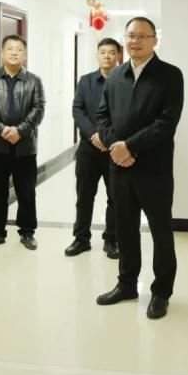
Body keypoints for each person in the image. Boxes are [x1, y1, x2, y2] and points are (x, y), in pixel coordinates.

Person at [96, 17, 184, 320]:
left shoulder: (170, 75)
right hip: (120, 169)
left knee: (161, 231)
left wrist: (130, 147)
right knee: (125, 229)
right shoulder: (115, 76)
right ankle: (126, 284)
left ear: (154, 40)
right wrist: (116, 147)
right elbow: (102, 117)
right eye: (131, 36)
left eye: (142, 36)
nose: (135, 41)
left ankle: (161, 292)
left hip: (154, 169)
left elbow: (166, 123)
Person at [0, 34, 45, 251]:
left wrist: (20, 131)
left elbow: (38, 110)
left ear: (25, 55)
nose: (14, 52)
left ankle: (27, 232)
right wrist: (2, 129)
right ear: (2, 52)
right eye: (10, 49)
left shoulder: (34, 81)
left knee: (26, 192)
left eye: (19, 49)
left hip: (25, 146)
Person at [65, 37, 121, 258]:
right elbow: (78, 110)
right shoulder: (85, 81)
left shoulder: (125, 80)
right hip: (88, 151)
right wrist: (93, 135)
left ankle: (111, 239)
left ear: (118, 56)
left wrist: (107, 138)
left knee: (115, 197)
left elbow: (128, 114)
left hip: (114, 150)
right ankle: (81, 239)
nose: (107, 56)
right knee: (84, 196)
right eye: (103, 52)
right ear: (97, 55)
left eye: (112, 52)